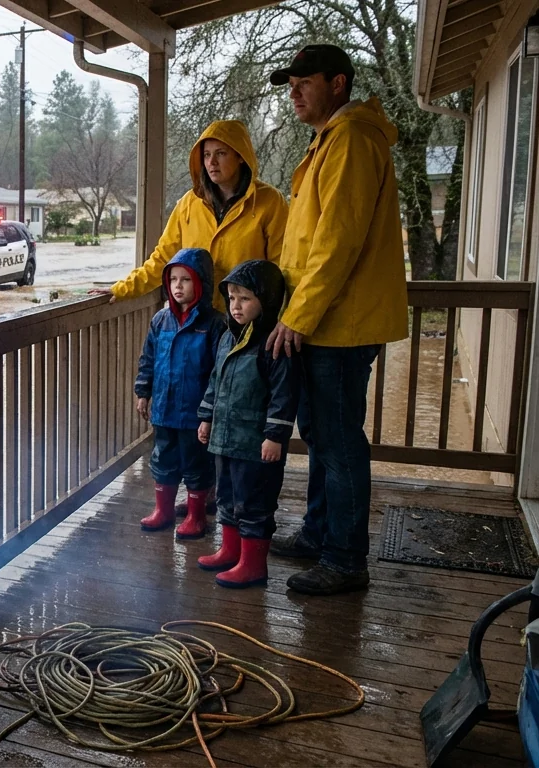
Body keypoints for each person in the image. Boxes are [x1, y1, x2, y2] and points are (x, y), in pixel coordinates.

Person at [264, 45, 409, 595]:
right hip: (325, 321)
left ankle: (346, 559)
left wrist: (297, 318)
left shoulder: (350, 140)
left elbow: (336, 244)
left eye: (305, 81)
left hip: (338, 324)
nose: (294, 91)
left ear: (339, 83)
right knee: (323, 435)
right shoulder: (331, 140)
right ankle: (320, 534)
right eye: (290, 83)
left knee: (340, 441)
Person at [96, 121, 286, 310]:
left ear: (241, 156)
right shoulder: (189, 203)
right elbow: (164, 258)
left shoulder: (270, 202)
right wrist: (123, 289)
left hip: (247, 325)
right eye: (206, 155)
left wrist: (280, 320)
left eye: (221, 153)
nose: (212, 162)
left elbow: (282, 267)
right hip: (197, 323)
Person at [196, 260, 299, 589]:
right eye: (231, 298)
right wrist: (207, 417)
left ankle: (253, 565)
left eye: (245, 299)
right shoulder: (228, 336)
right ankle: (230, 550)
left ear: (266, 301)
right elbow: (216, 380)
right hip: (225, 439)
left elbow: (283, 395)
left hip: (255, 445)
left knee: (254, 502)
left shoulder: (273, 343)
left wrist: (274, 436)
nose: (235, 306)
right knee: (226, 496)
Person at [134, 247, 223, 539]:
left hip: (195, 413)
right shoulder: (161, 320)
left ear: (201, 284)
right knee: (163, 459)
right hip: (164, 408)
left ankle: (197, 516)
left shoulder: (214, 325)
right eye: (173, 280)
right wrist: (143, 391)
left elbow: (218, 372)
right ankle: (165, 510)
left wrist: (209, 412)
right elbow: (148, 359)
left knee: (196, 463)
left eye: (186, 280)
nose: (178, 286)